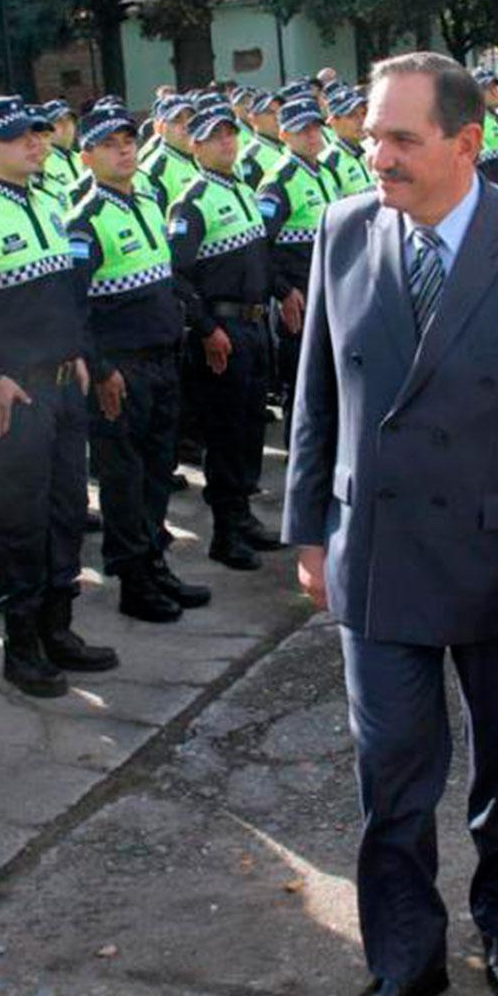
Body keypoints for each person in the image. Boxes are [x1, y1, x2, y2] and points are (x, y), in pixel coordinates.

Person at [285, 52, 498, 996]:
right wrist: (309, 526)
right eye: (369, 132)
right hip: (377, 550)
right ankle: (403, 964)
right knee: (391, 775)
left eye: (400, 138)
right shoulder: (344, 227)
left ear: (467, 144)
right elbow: (318, 393)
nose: (373, 154)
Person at [0, 96, 117, 699]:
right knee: (19, 522)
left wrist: (80, 354)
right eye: (18, 138)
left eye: (38, 134)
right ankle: (23, 646)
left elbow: (69, 300)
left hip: (61, 388)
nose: (36, 144)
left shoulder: (49, 203)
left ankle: (59, 628)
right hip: (10, 397)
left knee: (63, 514)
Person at [66, 104, 211, 622]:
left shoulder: (146, 200)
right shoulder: (84, 220)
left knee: (155, 472)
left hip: (161, 361)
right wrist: (101, 370)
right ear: (86, 157)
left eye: (128, 140)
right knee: (124, 479)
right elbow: (74, 309)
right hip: (120, 371)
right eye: (109, 144)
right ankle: (132, 579)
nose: (124, 150)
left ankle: (154, 561)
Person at [166, 101, 289, 571]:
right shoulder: (191, 201)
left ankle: (243, 518)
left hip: (255, 325)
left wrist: (282, 292)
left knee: (249, 427)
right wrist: (208, 328)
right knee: (225, 432)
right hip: (222, 330)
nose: (226, 142)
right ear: (195, 145)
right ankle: (225, 531)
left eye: (230, 134)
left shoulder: (240, 189)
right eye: (215, 136)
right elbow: (177, 275)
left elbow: (260, 256)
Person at [255, 97, 328, 447]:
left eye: (315, 127)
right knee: (300, 385)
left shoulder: (321, 172)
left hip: (325, 295)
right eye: (302, 130)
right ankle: (299, 457)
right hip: (296, 302)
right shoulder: (279, 183)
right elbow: (260, 249)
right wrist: (282, 291)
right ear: (284, 134)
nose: (312, 136)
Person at [139, 95, 198, 214]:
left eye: (190, 118)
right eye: (177, 120)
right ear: (159, 127)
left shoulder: (206, 155)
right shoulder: (155, 171)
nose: (186, 125)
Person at [321, 86, 374, 197]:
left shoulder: (366, 152)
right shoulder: (329, 162)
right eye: (351, 115)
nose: (361, 121)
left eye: (364, 113)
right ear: (333, 121)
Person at [237, 90, 286, 188]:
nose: (277, 117)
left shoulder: (290, 147)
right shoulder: (250, 156)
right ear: (253, 118)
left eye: (280, 112)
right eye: (270, 113)